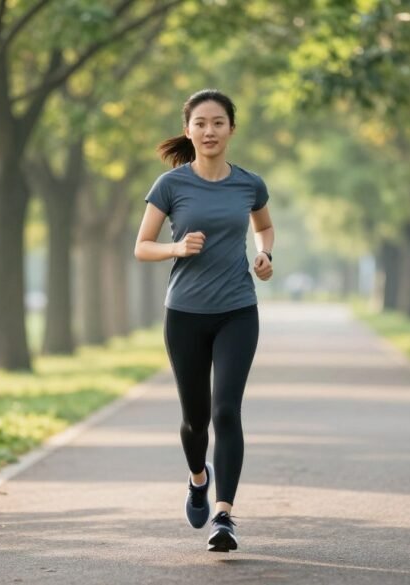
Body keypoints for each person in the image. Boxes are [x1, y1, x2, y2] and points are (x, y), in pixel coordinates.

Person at [133, 89, 275, 553]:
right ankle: (198, 479)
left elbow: (264, 226)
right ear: (188, 130)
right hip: (186, 315)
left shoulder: (249, 183)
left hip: (238, 309)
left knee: (226, 411)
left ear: (232, 128)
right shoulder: (170, 185)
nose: (209, 131)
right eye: (201, 123)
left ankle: (224, 515)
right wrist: (176, 248)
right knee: (195, 420)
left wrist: (264, 254)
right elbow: (142, 246)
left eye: (218, 122)